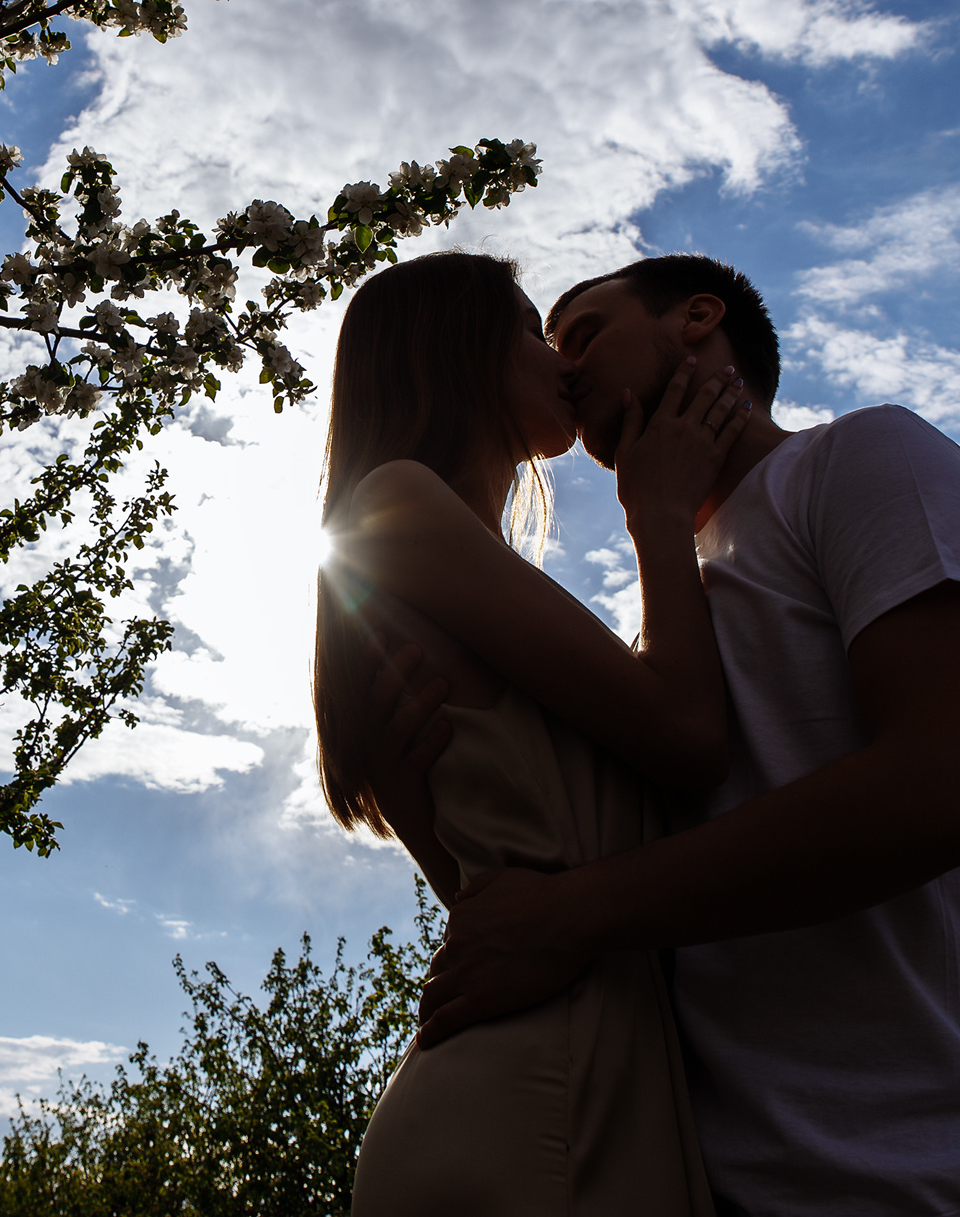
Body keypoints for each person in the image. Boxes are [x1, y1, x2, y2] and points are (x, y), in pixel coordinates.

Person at [399, 253, 960, 1217]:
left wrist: (577, 915)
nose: (565, 365)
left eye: (586, 331)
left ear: (697, 317)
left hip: (959, 1176)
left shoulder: (865, 458)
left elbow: (950, 788)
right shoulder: (666, 613)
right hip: (720, 1183)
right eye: (547, 346)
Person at [312, 250, 752, 1217]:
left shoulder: (438, 571)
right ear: (454, 351)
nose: (557, 357)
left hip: (575, 1080)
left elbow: (496, 883)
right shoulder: (397, 505)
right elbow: (686, 735)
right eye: (526, 329)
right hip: (532, 1107)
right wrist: (659, 517)